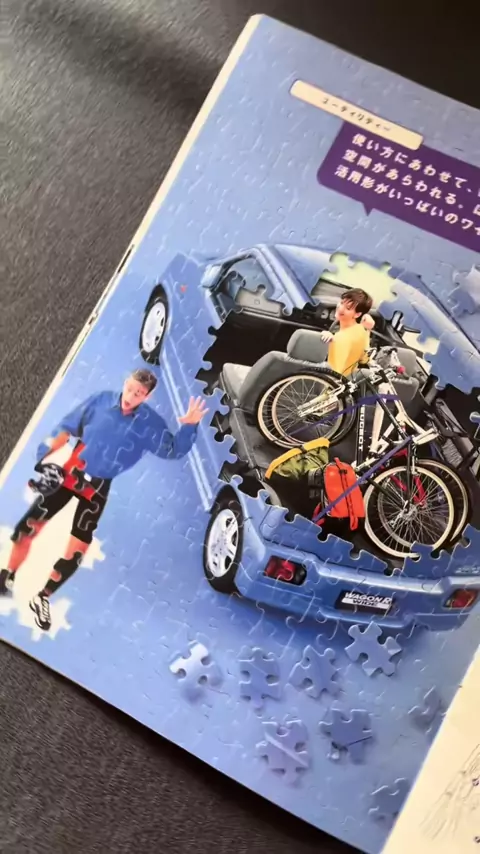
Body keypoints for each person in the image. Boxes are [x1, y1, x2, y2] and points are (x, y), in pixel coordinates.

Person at [0, 368, 208, 631]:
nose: (131, 396)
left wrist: (189, 426)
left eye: (139, 393)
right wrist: (43, 456)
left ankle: (42, 597)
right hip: (69, 472)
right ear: (125, 382)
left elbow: (173, 449)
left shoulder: (150, 424)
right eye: (130, 388)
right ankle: (7, 575)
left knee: (78, 549)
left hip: (98, 487)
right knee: (28, 526)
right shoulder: (101, 400)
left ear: (147, 396)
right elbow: (66, 427)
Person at [319, 288, 374, 376]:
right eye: (341, 303)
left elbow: (335, 372)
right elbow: (364, 359)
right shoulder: (362, 331)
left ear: (357, 314)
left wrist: (329, 340)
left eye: (348, 308)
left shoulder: (341, 338)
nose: (341, 308)